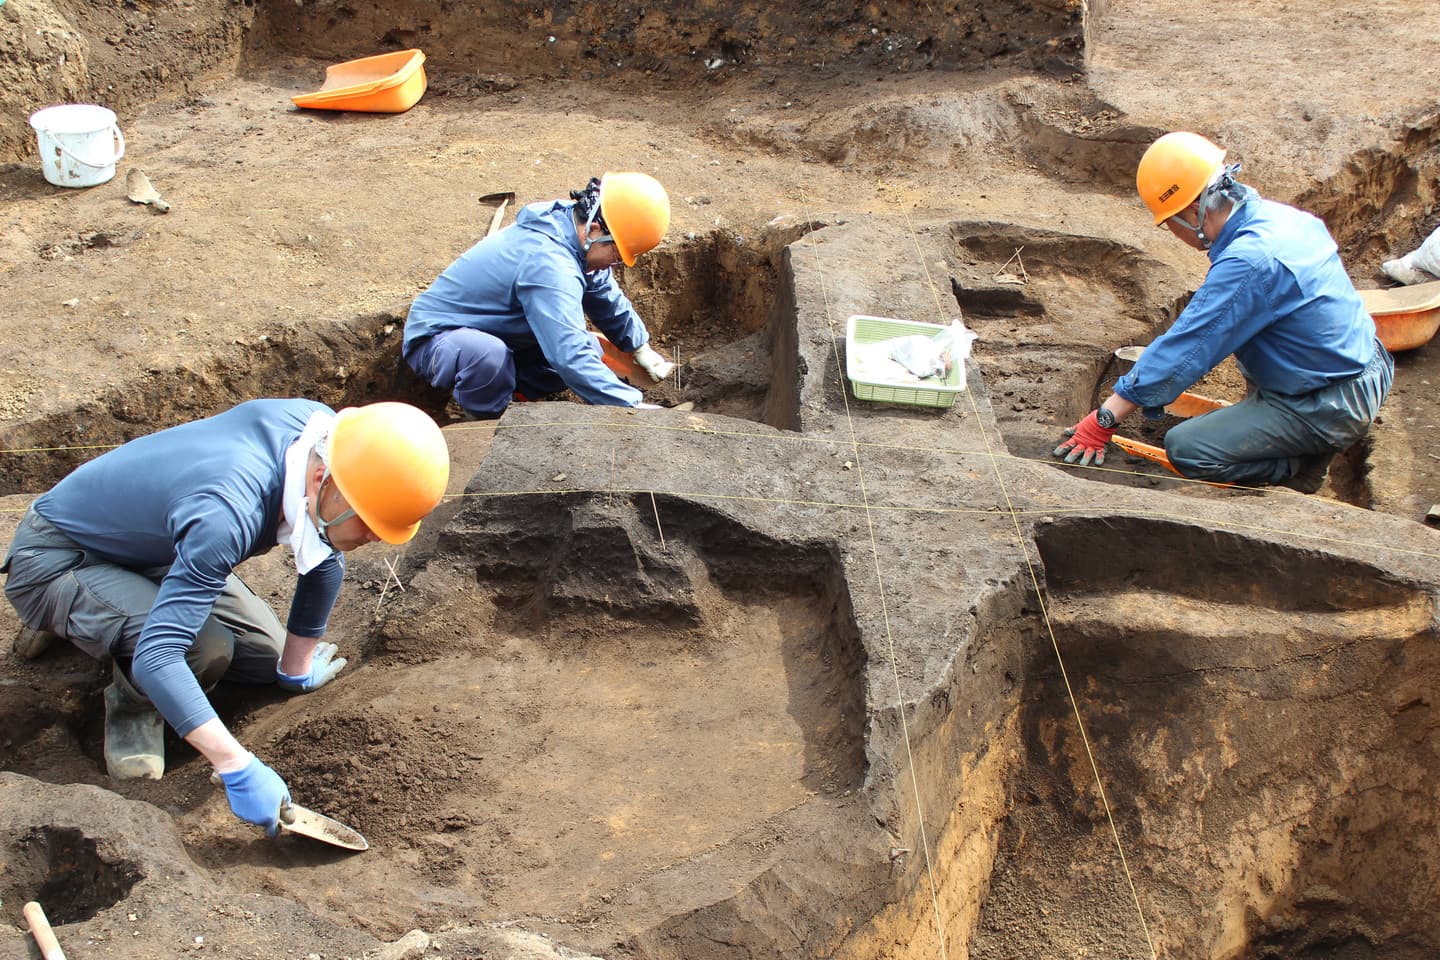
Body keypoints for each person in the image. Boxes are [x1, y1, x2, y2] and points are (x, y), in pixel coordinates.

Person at [2, 399, 449, 835]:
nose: (372, 537)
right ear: (320, 479)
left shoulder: (331, 444)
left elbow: (327, 545)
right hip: (60, 556)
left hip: (157, 546)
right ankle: (130, 703)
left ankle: (108, 609)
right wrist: (237, 766)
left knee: (264, 656)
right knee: (204, 649)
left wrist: (295, 668)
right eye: (368, 523)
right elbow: (161, 656)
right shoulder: (228, 510)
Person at [1054, 131, 1394, 492]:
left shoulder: (1250, 262)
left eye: (1168, 222)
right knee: (1261, 347)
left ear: (1190, 211)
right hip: (1364, 368)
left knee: (1188, 448)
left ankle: (1297, 470)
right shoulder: (1283, 219)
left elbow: (1189, 345)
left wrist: (1105, 418)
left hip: (1329, 403)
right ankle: (1303, 444)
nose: (1171, 231)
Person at [404, 171, 678, 419]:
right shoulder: (549, 263)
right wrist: (630, 406)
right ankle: (487, 419)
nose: (614, 264)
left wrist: (639, 345)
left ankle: (513, 388)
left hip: (501, 333)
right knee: (488, 357)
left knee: (590, 350)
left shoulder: (573, 231)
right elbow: (568, 354)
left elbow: (602, 291)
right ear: (595, 229)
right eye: (617, 255)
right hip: (439, 338)